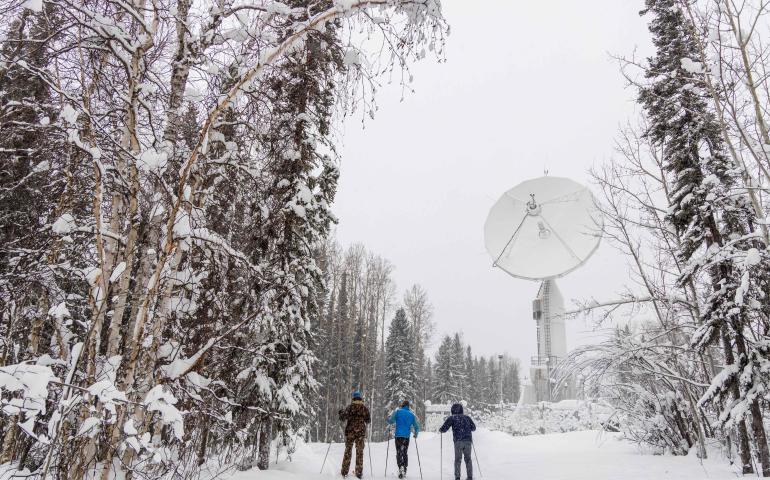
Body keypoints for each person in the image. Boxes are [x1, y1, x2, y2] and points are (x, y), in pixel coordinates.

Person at [439, 403, 477, 480]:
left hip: (458, 441)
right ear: (461, 410)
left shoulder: (452, 418)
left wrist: (441, 430)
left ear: (452, 410)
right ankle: (469, 476)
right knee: (468, 459)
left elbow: (444, 428)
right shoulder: (467, 418)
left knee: (458, 459)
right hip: (468, 441)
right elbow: (473, 428)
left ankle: (457, 477)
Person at [339, 391, 371, 479]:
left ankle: (344, 471)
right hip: (360, 432)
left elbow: (342, 418)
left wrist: (341, 413)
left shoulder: (350, 407)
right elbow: (368, 420)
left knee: (348, 451)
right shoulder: (364, 408)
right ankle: (359, 472)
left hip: (350, 432)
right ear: (360, 398)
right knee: (359, 452)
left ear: (353, 398)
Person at [387, 400, 420, 479]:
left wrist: (388, 419)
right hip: (406, 437)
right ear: (408, 406)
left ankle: (400, 466)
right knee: (404, 452)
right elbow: (416, 426)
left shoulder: (398, 412)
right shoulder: (411, 415)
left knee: (399, 452)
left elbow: (391, 421)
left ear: (402, 405)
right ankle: (404, 468)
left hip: (398, 436)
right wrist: (416, 434)